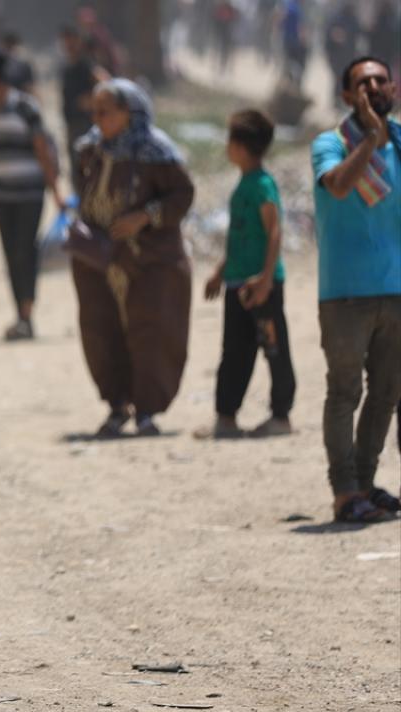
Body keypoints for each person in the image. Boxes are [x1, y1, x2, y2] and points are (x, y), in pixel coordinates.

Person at [72, 79, 195, 438]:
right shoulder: (90, 149)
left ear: (130, 112)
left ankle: (146, 410)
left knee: (152, 329)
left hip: (149, 259)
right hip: (99, 259)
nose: (97, 120)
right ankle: (116, 404)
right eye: (94, 112)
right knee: (100, 329)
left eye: (105, 112)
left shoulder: (157, 152)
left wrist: (144, 217)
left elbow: (182, 195)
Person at [309, 56, 401, 523]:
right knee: (345, 393)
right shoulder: (331, 144)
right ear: (347, 95)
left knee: (385, 393)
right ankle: (344, 492)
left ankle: (364, 483)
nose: (375, 88)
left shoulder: (399, 142)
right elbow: (341, 186)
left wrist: (383, 136)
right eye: (364, 83)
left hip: (396, 290)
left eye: (382, 81)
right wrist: (369, 138)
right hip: (345, 293)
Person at [203, 110, 296, 439]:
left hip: (261, 287)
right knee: (235, 350)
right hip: (238, 284)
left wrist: (266, 279)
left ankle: (281, 416)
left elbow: (274, 231)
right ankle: (226, 417)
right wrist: (220, 272)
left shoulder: (261, 185)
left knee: (274, 347)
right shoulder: (243, 185)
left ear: (241, 147)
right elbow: (240, 236)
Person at [0, 51, 64, 341]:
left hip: (30, 193)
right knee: (11, 254)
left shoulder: (25, 106)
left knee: (26, 251)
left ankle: (26, 315)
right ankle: (20, 315)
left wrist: (56, 191)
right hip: (2, 194)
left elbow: (43, 150)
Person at [60, 25, 108, 193]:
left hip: (85, 125)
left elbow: (105, 84)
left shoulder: (86, 64)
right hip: (72, 124)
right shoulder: (68, 67)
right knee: (75, 170)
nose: (68, 44)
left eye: (72, 40)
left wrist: (93, 101)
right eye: (66, 41)